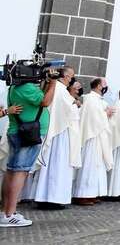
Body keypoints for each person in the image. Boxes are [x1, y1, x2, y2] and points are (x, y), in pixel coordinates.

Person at [1, 73, 56, 227]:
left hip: (19, 132)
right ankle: (9, 214)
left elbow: (40, 96)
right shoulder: (26, 87)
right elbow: (45, 101)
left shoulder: (17, 86)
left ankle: (5, 212)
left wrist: (46, 83)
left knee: (12, 171)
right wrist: (53, 84)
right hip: (27, 135)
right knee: (20, 172)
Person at [24, 66, 81, 210]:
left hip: (57, 131)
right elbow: (68, 112)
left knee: (51, 166)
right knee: (57, 166)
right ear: (63, 76)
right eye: (70, 77)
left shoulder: (58, 89)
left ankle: (46, 197)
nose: (71, 80)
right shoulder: (61, 90)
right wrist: (75, 105)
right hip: (59, 134)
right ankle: (52, 198)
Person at [72, 77, 114, 206]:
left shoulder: (98, 100)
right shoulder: (90, 98)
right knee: (89, 166)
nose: (107, 87)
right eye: (105, 84)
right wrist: (106, 114)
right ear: (99, 86)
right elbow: (92, 117)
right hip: (92, 137)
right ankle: (82, 194)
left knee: (98, 166)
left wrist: (107, 113)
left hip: (99, 136)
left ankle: (93, 193)